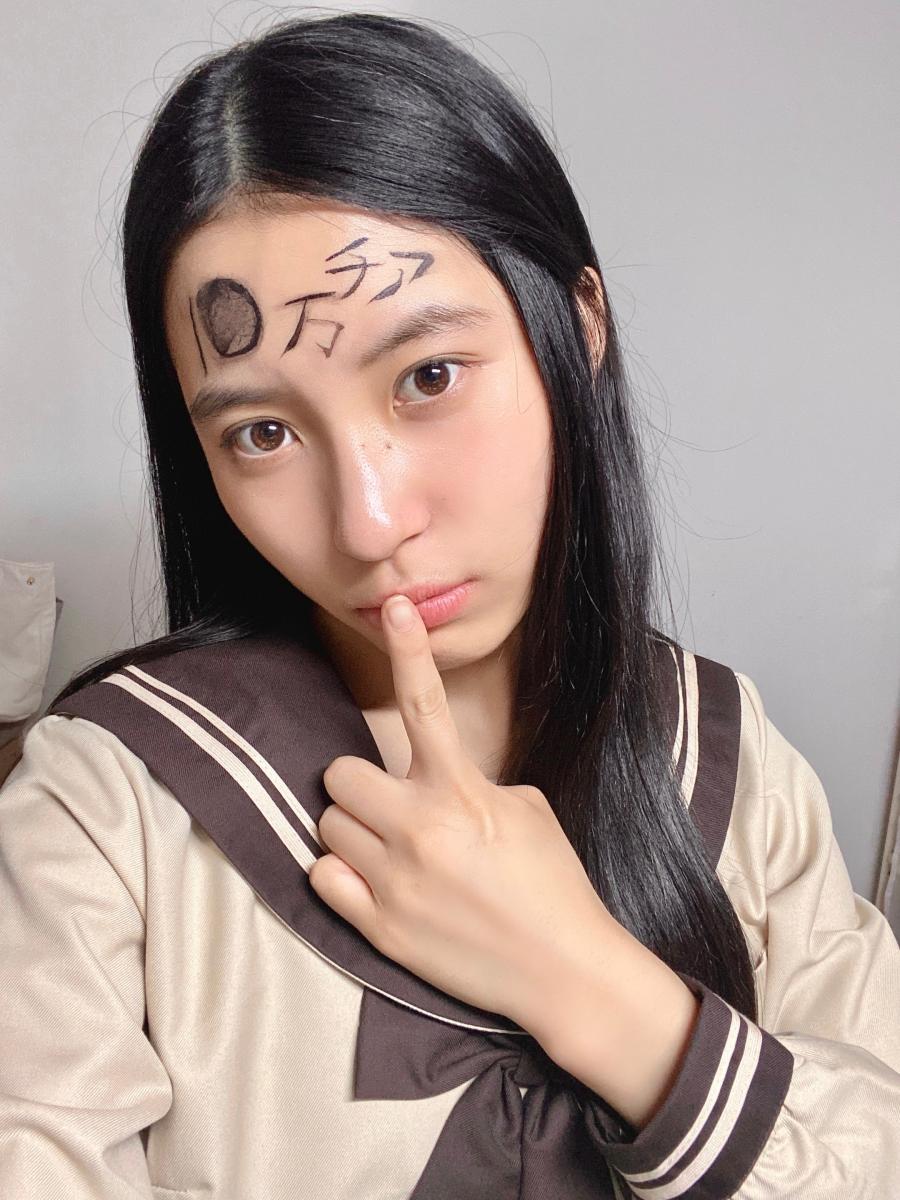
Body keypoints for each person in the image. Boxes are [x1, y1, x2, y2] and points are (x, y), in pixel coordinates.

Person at [1, 11, 897, 1199]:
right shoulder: (109, 802)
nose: (368, 523)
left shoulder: (734, 759)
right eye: (262, 433)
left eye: (428, 376)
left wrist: (578, 973)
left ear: (578, 328)